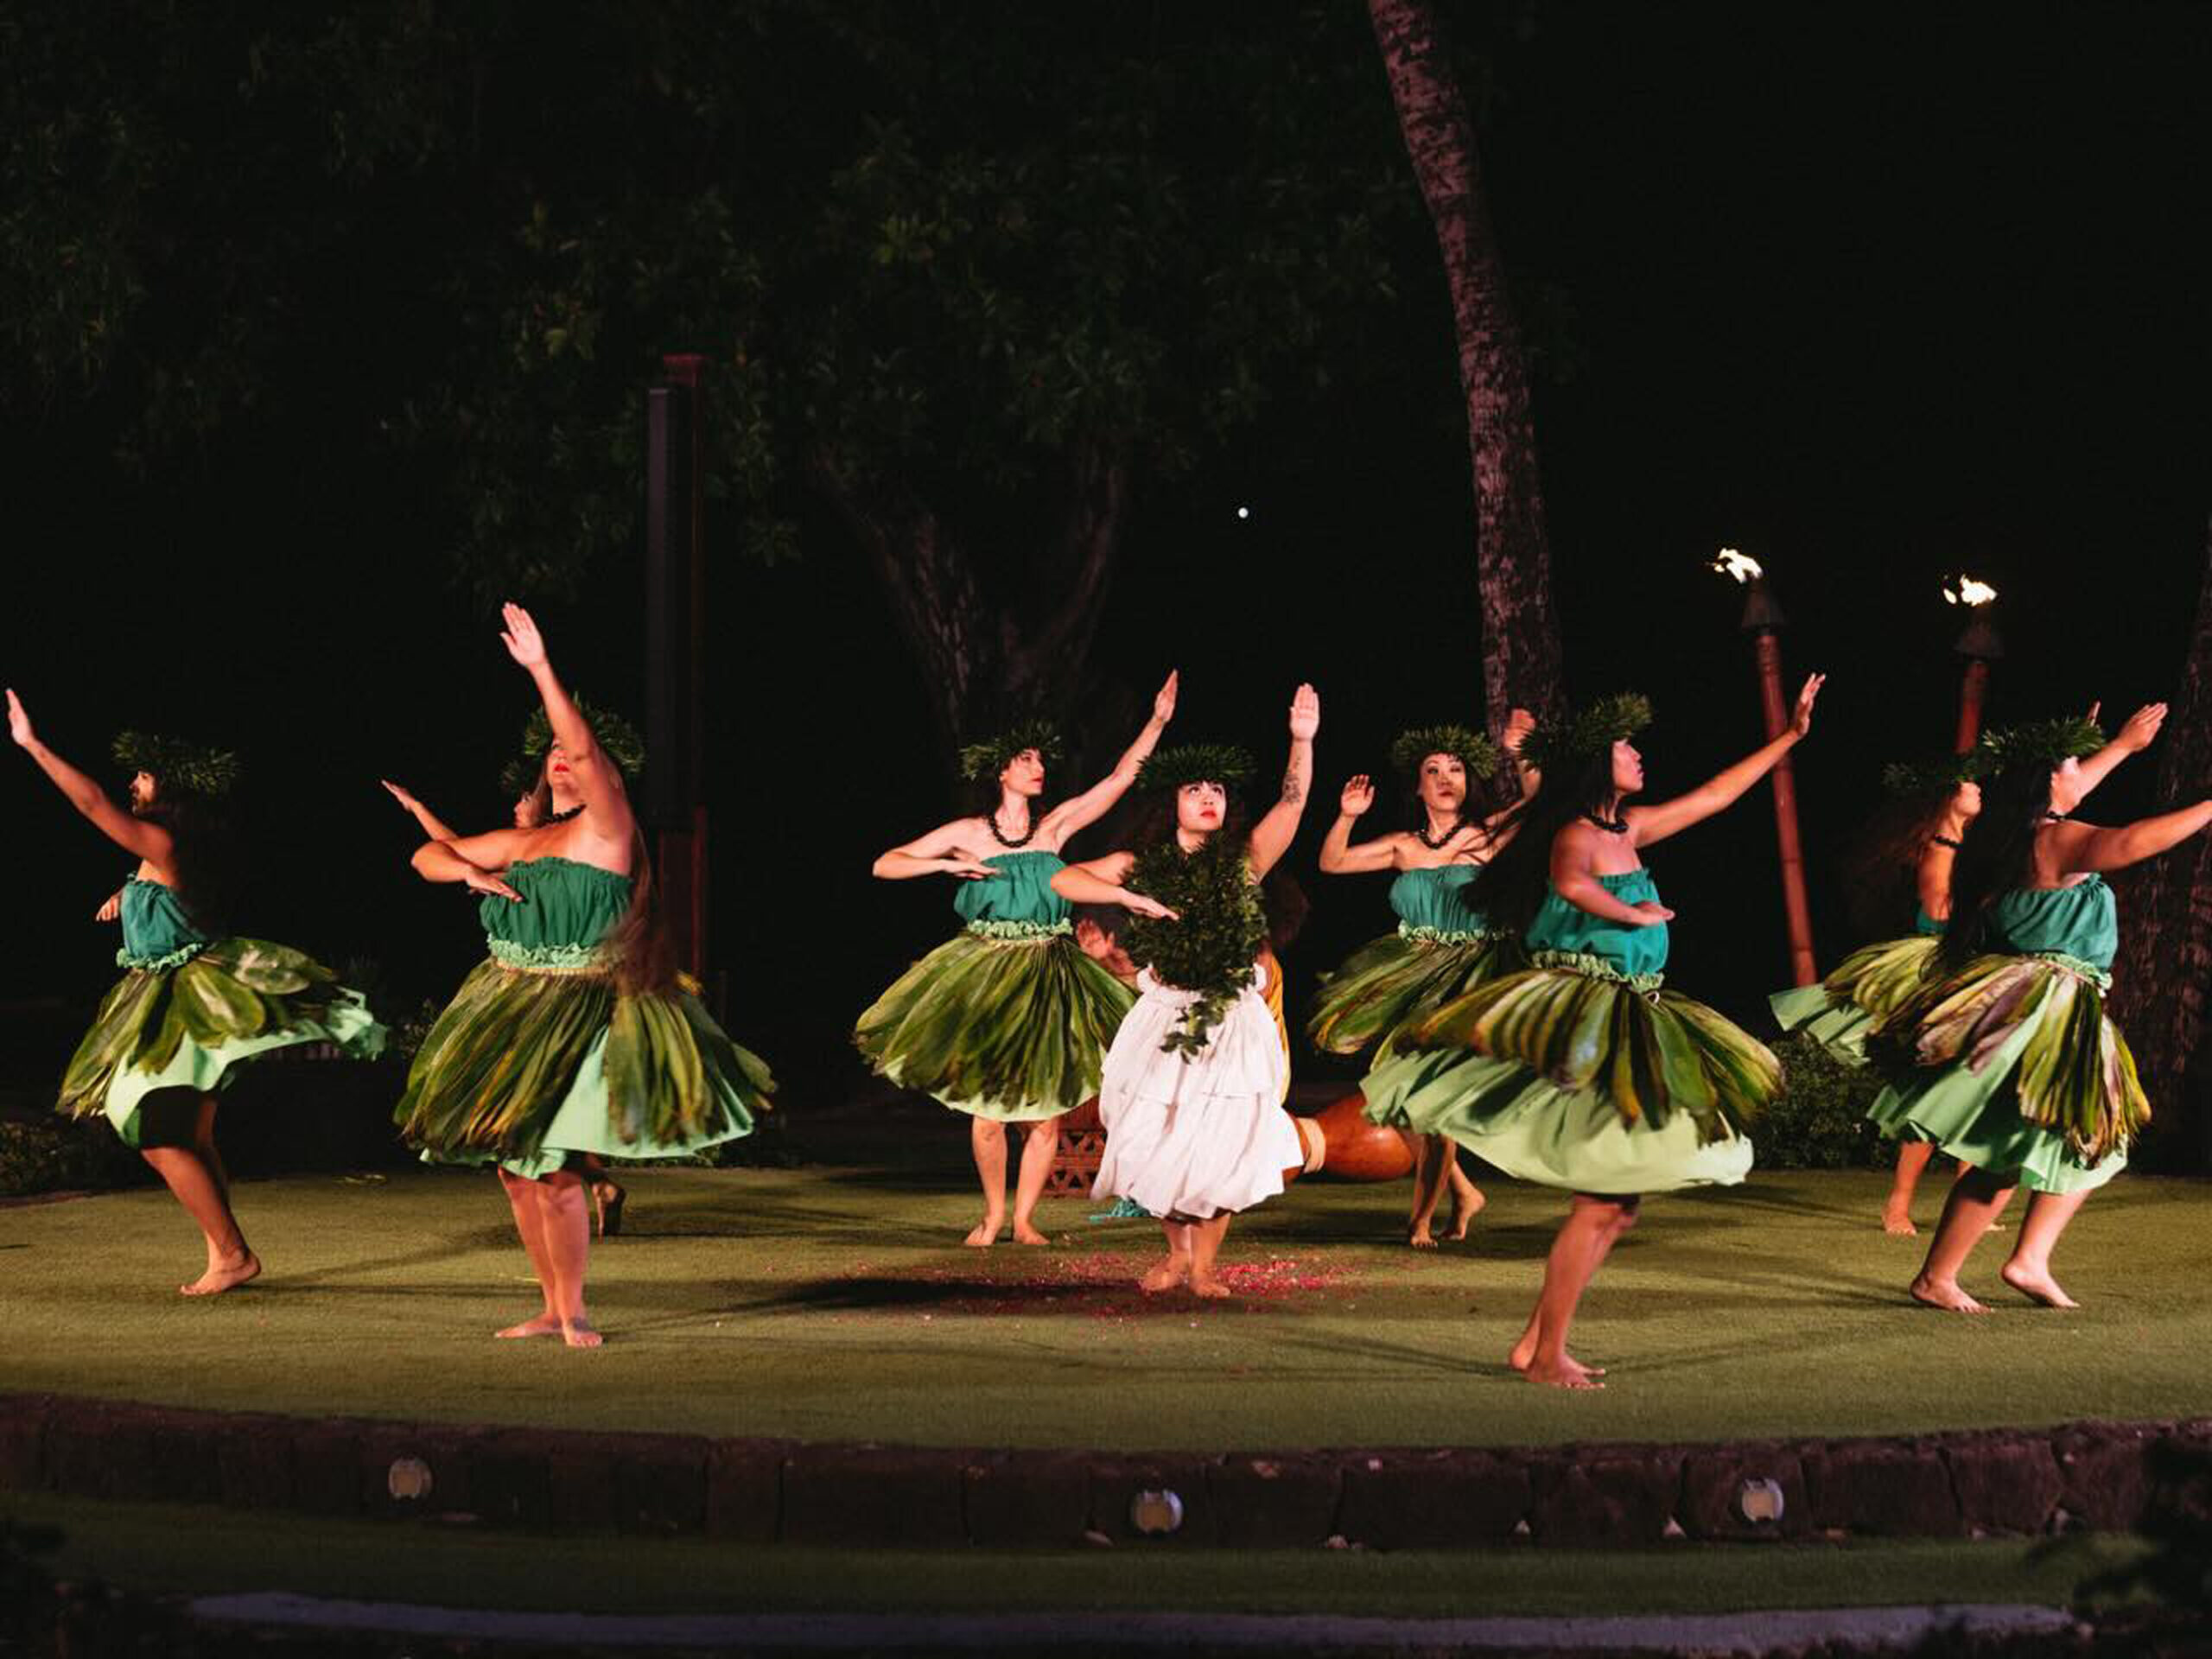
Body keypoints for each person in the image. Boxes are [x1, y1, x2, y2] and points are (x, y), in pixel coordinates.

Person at [1395, 682, 1822, 1387]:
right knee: (1600, 1202)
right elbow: (1569, 884)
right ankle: (1547, 1355)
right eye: (1625, 748)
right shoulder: (1572, 834)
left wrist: (1792, 738)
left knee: (1618, 1210)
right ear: (1597, 765)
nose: (1637, 756)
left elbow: (1716, 795)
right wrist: (1633, 916)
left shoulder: (1632, 829)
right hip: (1585, 1016)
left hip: (1635, 1008)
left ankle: (1535, 1344)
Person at [393, 604, 769, 1347]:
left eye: (573, 755)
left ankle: (576, 1310)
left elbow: (583, 744)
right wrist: (468, 868)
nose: (563, 760)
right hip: (516, 1002)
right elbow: (424, 856)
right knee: (514, 1167)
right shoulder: (526, 841)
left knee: (558, 1165)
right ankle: (547, 1305)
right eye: (553, 757)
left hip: (585, 1006)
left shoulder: (609, 826)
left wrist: (539, 668)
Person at [11, 693, 385, 1294]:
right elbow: (161, 897)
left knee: (152, 1128)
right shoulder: (172, 855)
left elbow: (90, 803)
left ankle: (233, 1253)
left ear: (174, 789)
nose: (133, 782)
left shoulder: (164, 845)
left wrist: (33, 745)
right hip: (175, 995)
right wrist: (126, 897)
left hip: (182, 1001)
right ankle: (223, 1253)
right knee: (189, 1135)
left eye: (143, 773)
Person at [1868, 707, 2199, 1313]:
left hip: (2034, 1006)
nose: (2082, 774)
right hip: (2050, 1009)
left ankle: (2016, 1262)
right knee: (2079, 1137)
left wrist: (2123, 746)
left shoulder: (2009, 843)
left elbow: (2066, 795)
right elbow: (2128, 842)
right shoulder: (2058, 839)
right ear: (2047, 784)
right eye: (2072, 766)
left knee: (2041, 1145)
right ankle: (1970, 1270)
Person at [857, 676, 1177, 1246]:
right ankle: (993, 1214)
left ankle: (1026, 1219)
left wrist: (1156, 721)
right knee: (986, 1110)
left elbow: (1120, 780)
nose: (1036, 767)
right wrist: (943, 866)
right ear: (1000, 773)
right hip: (985, 972)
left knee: (1046, 1111)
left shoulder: (1053, 828)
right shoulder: (970, 834)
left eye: (1038, 759)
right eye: (1024, 759)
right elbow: (886, 864)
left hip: (1048, 972)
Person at [1051, 686, 1320, 1296]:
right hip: (1164, 1015)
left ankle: (1204, 1266)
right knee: (1158, 1134)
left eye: (1217, 791)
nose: (1207, 798)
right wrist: (1125, 896)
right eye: (1194, 789)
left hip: (1231, 1018)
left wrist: (1302, 741)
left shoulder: (1244, 862)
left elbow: (1294, 803)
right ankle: (1175, 1254)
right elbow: (1062, 876)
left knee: (1222, 1141)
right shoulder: (1139, 863)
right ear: (1172, 802)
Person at [1312, 712, 1534, 1246]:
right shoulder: (1402, 846)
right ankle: (1461, 1192)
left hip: (1470, 980)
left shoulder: (1490, 836)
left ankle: (1419, 1221)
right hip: (1412, 977)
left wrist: (1520, 751)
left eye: (1455, 768)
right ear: (1418, 785)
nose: (1445, 777)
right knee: (1404, 1096)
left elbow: (1541, 800)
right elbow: (1332, 862)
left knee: (1439, 1099)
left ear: (1468, 781)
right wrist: (1345, 815)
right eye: (1433, 769)